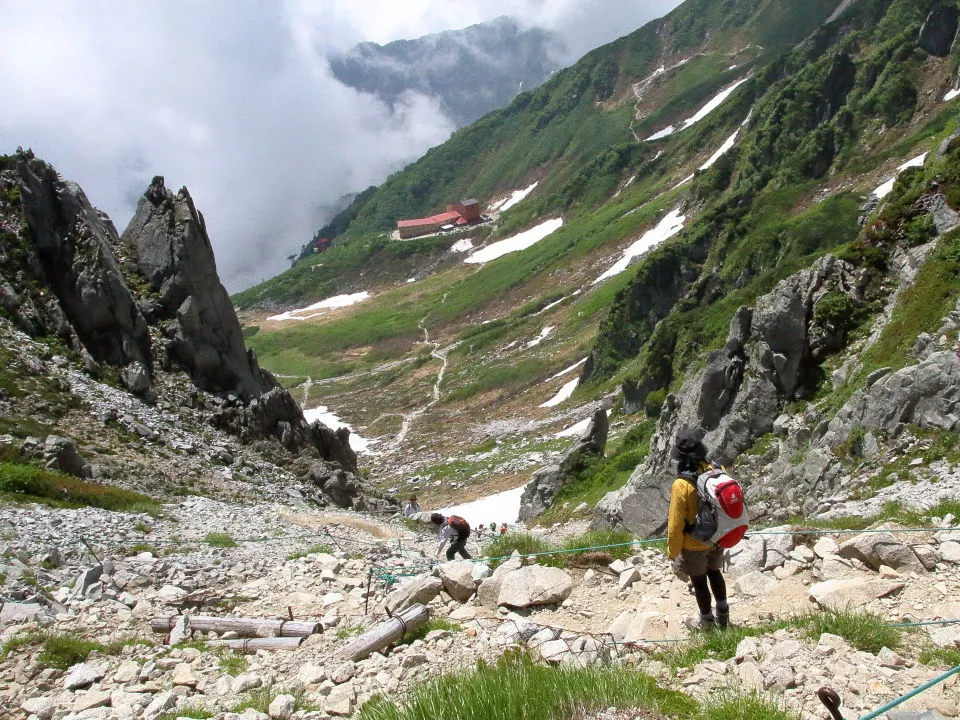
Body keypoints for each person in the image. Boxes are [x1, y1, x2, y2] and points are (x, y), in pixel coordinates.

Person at [667, 427, 730, 630]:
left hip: (694, 542)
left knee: (700, 582)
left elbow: (675, 522)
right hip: (717, 536)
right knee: (715, 573)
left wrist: (673, 550)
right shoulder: (715, 468)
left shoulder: (681, 484)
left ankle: (707, 622)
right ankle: (724, 615)